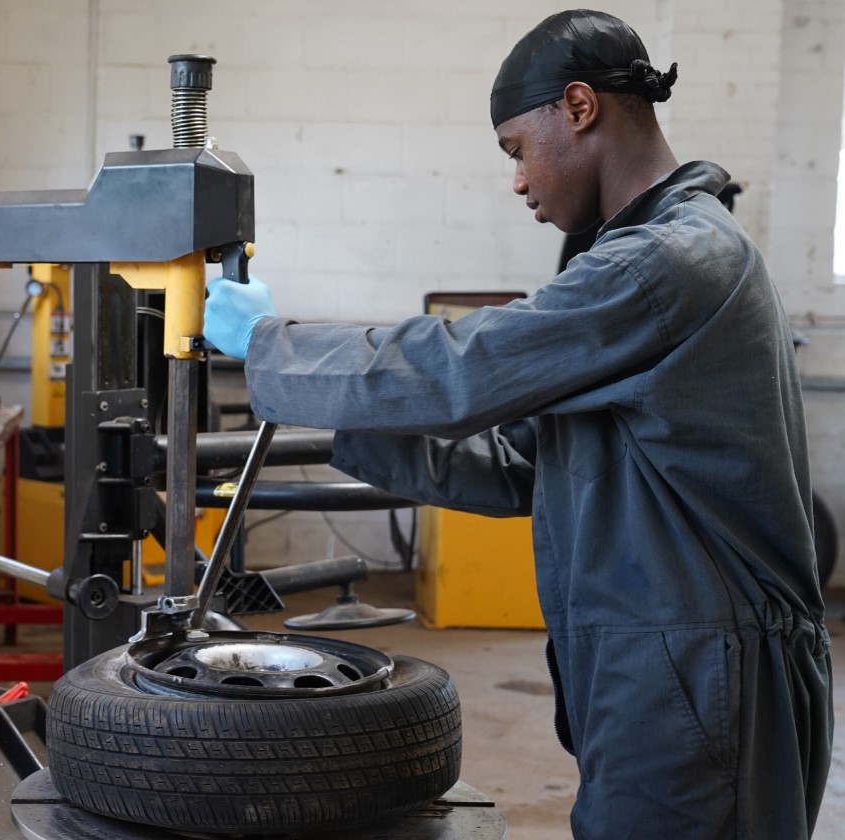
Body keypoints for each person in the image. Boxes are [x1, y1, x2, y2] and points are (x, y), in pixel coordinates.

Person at [203, 9, 832, 839]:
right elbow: (519, 466)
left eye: (515, 150)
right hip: (658, 660)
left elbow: (465, 365)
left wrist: (267, 348)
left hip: (703, 668)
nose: (518, 180)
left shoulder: (669, 262)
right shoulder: (645, 256)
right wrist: (336, 426)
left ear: (577, 108)